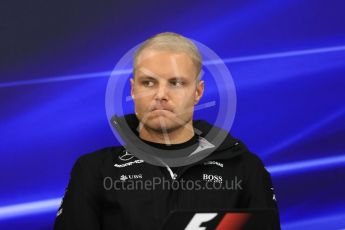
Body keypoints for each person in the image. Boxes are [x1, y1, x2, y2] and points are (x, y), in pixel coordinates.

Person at [54, 32, 280, 230]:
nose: (161, 94)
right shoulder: (94, 171)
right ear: (133, 89)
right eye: (148, 83)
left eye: (176, 83)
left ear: (198, 92)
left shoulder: (245, 169)